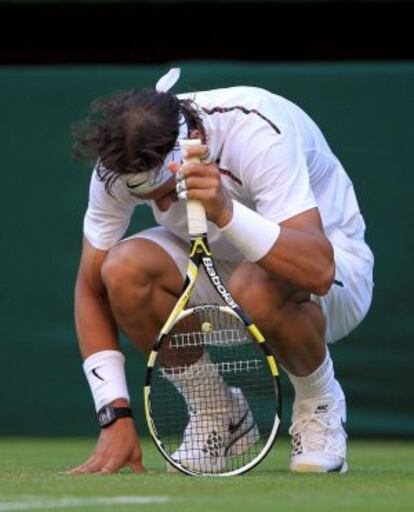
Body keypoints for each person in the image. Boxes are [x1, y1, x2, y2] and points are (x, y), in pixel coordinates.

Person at [70, 68, 374, 475]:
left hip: (333, 278)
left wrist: (227, 213)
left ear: (187, 150)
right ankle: (219, 414)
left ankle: (319, 403)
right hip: (221, 275)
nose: (162, 209)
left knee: (255, 282)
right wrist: (114, 416)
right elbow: (90, 289)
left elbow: (318, 269)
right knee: (122, 270)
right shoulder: (119, 167)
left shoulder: (256, 129)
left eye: (166, 195)